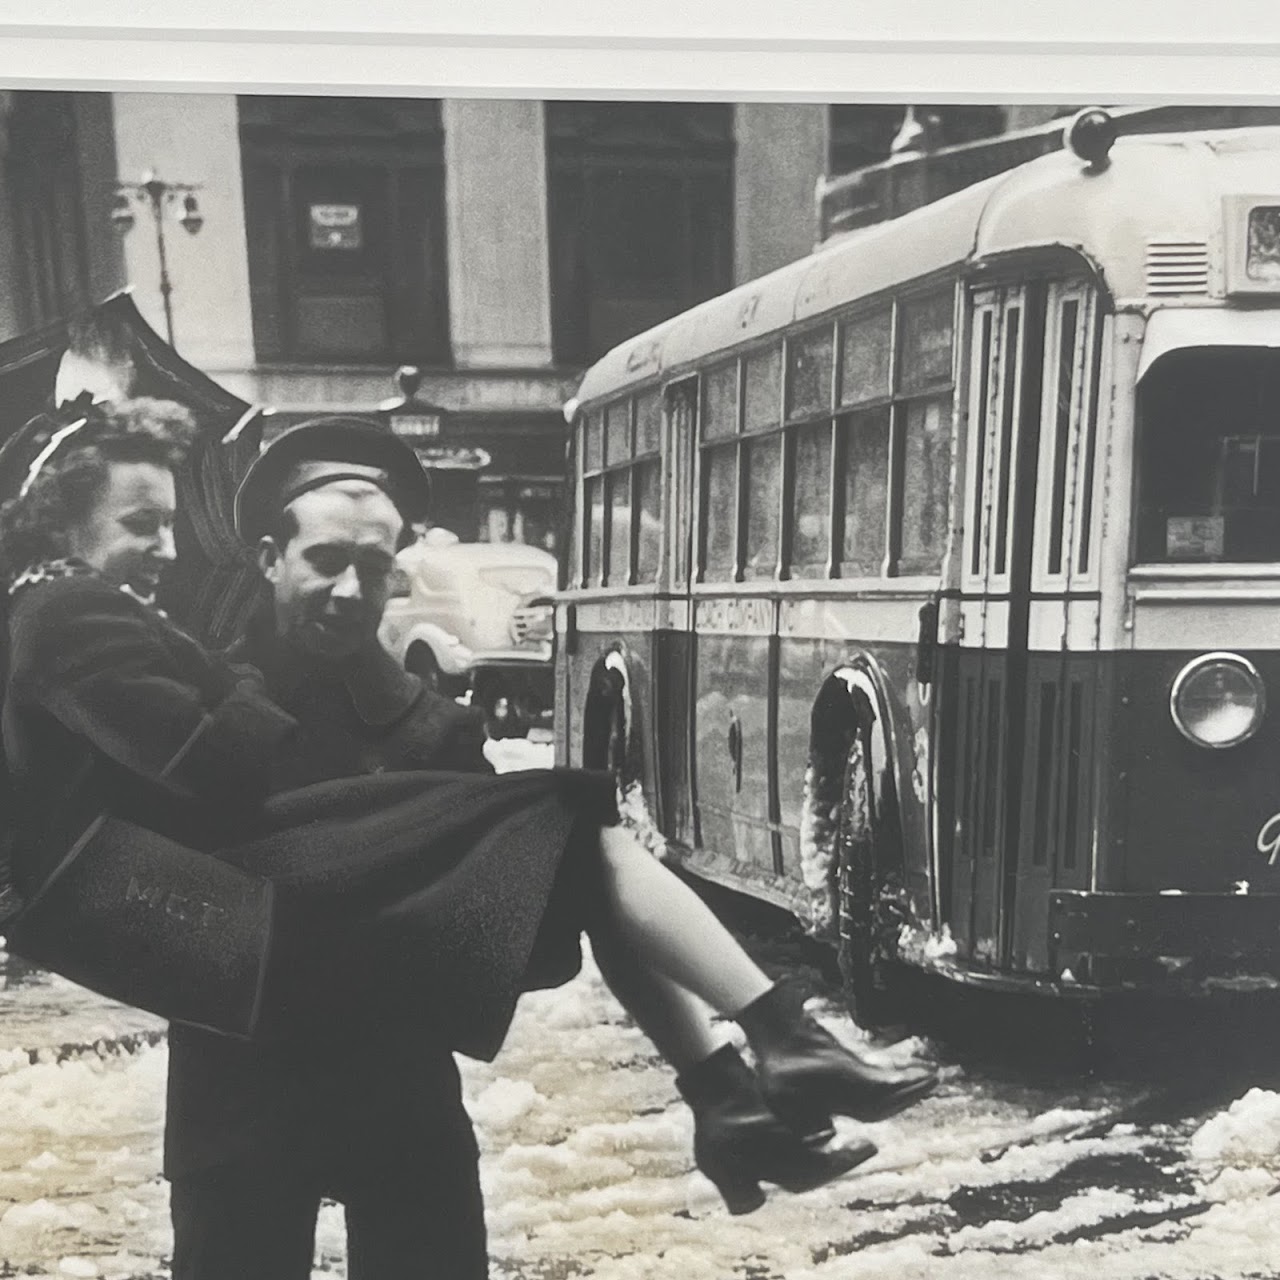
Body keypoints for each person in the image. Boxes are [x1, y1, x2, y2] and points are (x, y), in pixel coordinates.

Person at [0, 401, 937, 1235]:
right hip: (242, 1096)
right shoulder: (182, 659)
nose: (350, 590)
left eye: (377, 568)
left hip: (398, 1097)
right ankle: (744, 1082)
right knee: (568, 821)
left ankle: (734, 1096)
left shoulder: (427, 715)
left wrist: (401, 692)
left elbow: (520, 897)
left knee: (566, 837)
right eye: (325, 561)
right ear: (266, 558)